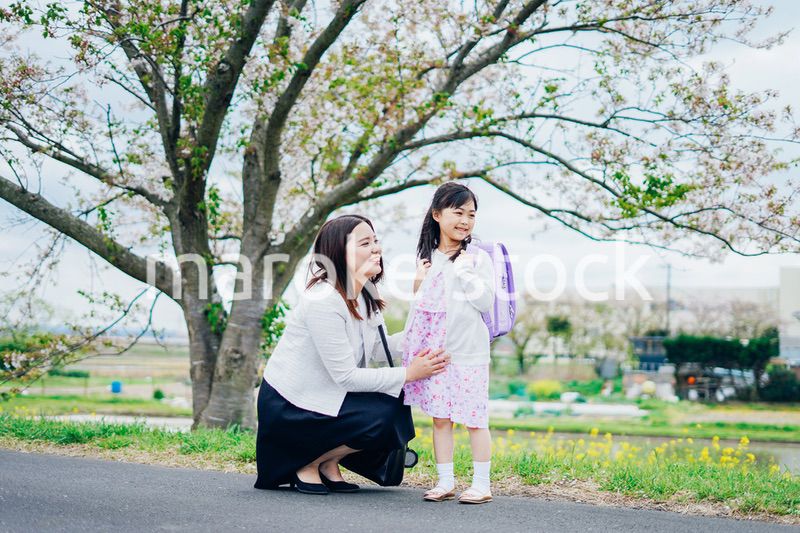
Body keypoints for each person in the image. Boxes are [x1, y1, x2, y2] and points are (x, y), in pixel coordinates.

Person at [254, 214, 450, 495]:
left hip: (327, 395)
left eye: (376, 241)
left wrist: (421, 301)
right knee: (387, 406)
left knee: (395, 406)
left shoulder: (365, 295)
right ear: (338, 252)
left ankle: (327, 460)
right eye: (365, 243)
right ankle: (306, 462)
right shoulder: (323, 300)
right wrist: (409, 374)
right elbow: (345, 376)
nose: (376, 249)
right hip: (293, 405)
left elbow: (381, 351)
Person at [401, 182, 495, 504]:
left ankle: (482, 484)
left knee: (474, 419)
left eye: (471, 214)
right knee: (441, 419)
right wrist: (417, 283)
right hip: (436, 355)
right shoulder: (427, 259)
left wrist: (466, 272)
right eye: (458, 212)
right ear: (437, 214)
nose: (465, 220)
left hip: (468, 352)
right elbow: (424, 312)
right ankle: (445, 481)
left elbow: (485, 303)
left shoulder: (478, 258)